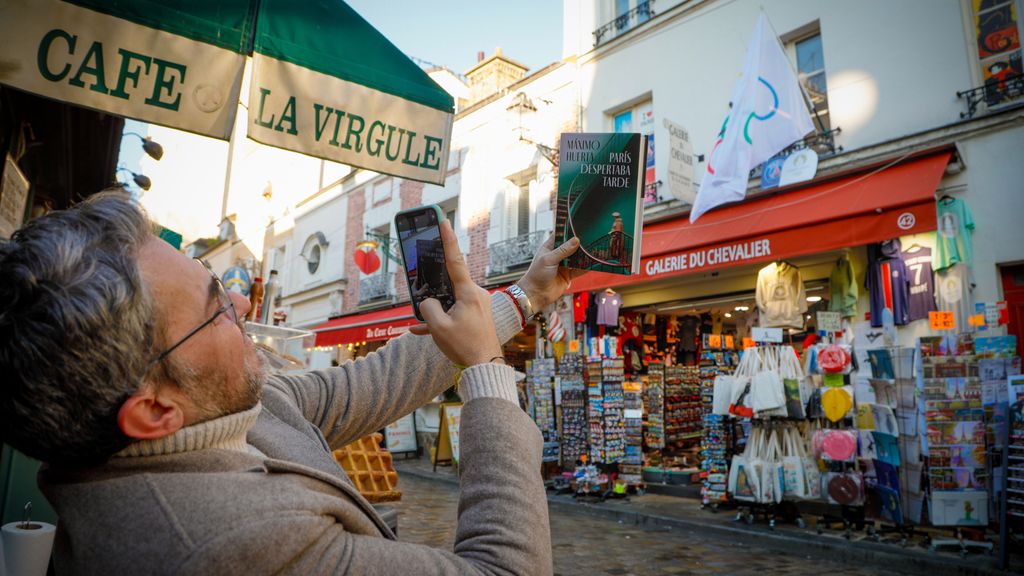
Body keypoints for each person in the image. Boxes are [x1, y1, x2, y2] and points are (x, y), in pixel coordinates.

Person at [0, 190, 581, 575]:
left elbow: (372, 382)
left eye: (212, 276)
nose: (235, 296)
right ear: (154, 410)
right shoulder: (233, 545)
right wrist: (485, 372)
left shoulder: (216, 406)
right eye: (212, 307)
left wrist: (526, 296)